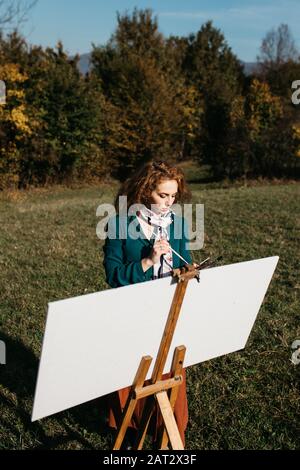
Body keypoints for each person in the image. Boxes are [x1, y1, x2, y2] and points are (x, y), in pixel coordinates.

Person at [102, 160, 193, 448]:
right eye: (162, 195)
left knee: (169, 369)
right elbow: (114, 275)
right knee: (135, 371)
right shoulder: (118, 225)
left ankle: (164, 431)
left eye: (173, 196)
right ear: (145, 191)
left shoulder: (176, 223)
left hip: (168, 309)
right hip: (132, 310)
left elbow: (185, 259)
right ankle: (129, 430)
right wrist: (147, 261)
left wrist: (189, 270)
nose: (169, 202)